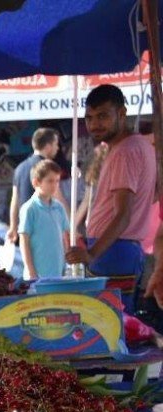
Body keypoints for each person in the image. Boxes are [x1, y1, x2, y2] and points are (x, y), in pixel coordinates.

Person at [66, 84, 156, 312]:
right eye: (90, 118)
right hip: (119, 249)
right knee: (116, 323)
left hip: (113, 250)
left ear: (122, 114)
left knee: (109, 325)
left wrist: (92, 253)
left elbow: (123, 215)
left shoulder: (125, 151)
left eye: (103, 116)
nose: (95, 124)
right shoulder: (136, 145)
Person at [7, 127, 63, 242]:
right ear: (48, 146)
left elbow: (14, 201)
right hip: (44, 228)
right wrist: (71, 223)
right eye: (56, 144)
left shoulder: (19, 168)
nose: (58, 148)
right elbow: (58, 197)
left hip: (25, 230)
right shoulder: (48, 168)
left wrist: (13, 226)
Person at [19, 159, 69, 280]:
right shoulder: (29, 208)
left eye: (57, 181)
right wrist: (31, 271)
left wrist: (66, 265)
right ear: (36, 182)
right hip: (37, 275)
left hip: (58, 272)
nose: (55, 185)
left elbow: (64, 237)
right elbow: (24, 241)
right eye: (50, 181)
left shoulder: (59, 208)